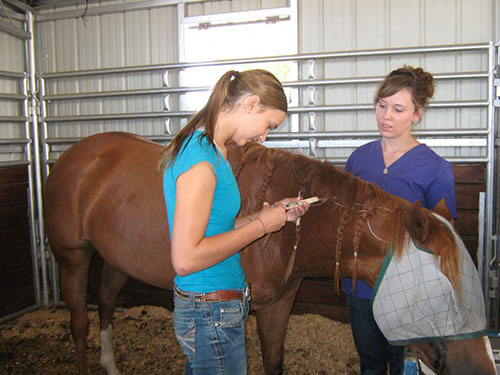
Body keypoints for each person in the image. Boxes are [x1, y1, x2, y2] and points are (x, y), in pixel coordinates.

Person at [159, 69, 310, 374]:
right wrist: (263, 226)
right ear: (252, 104)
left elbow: (218, 230)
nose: (264, 137)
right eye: (269, 125)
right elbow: (186, 259)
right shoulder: (201, 160)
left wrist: (269, 216)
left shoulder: (216, 152)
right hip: (209, 308)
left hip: (215, 308)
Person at [342, 65, 457, 375]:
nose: (386, 116)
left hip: (409, 289)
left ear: (416, 115)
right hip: (361, 283)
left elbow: (443, 234)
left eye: (398, 108)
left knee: (404, 365)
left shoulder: (435, 168)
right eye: (381, 105)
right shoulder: (359, 159)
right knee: (371, 364)